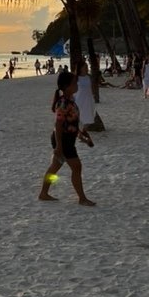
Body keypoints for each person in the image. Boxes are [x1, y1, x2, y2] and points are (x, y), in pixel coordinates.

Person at [39, 70, 95, 206]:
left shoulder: (71, 101)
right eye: (74, 83)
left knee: (55, 167)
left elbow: (72, 124)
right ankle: (82, 198)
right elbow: (58, 125)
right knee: (76, 167)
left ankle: (43, 193)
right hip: (62, 140)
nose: (77, 84)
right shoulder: (63, 103)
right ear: (66, 86)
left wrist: (83, 137)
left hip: (67, 139)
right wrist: (58, 146)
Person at [74, 58, 96, 128]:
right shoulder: (76, 78)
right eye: (85, 67)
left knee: (88, 118)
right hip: (79, 100)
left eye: (87, 67)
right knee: (79, 118)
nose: (87, 68)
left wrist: (93, 96)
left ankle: (82, 131)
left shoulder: (88, 77)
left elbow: (91, 88)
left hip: (88, 100)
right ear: (80, 68)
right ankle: (79, 132)